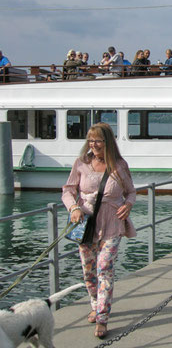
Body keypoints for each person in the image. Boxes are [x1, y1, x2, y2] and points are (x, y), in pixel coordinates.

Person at [62, 122, 136, 339]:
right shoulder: (81, 163)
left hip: (112, 223)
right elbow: (68, 191)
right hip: (86, 224)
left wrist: (128, 205)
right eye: (91, 140)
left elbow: (131, 192)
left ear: (108, 143)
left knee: (104, 267)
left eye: (98, 141)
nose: (93, 144)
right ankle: (95, 304)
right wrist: (74, 207)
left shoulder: (120, 165)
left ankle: (102, 318)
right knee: (89, 270)